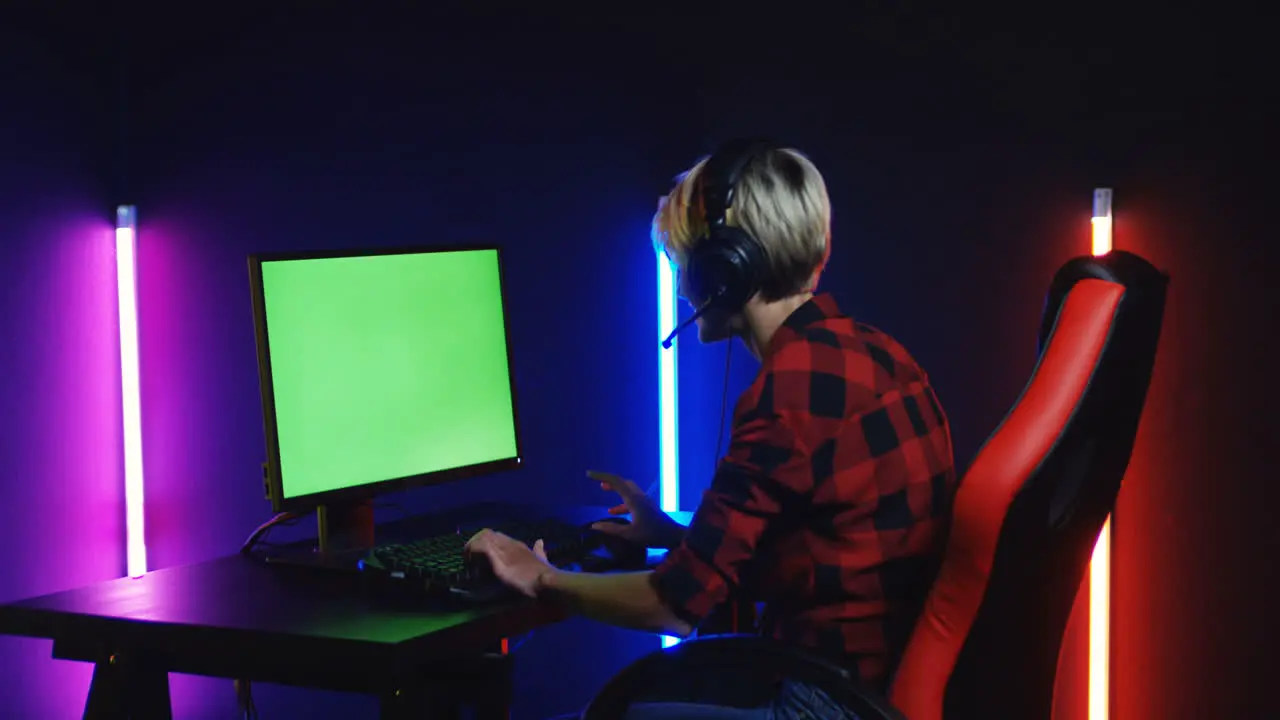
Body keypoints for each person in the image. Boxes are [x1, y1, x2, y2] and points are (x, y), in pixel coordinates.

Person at [466, 141, 956, 719]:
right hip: (867, 695)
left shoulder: (791, 390)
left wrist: (541, 576)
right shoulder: (874, 353)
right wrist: (671, 535)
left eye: (683, 264)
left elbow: (671, 606)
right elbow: (820, 547)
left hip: (818, 705)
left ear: (726, 270)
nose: (679, 287)